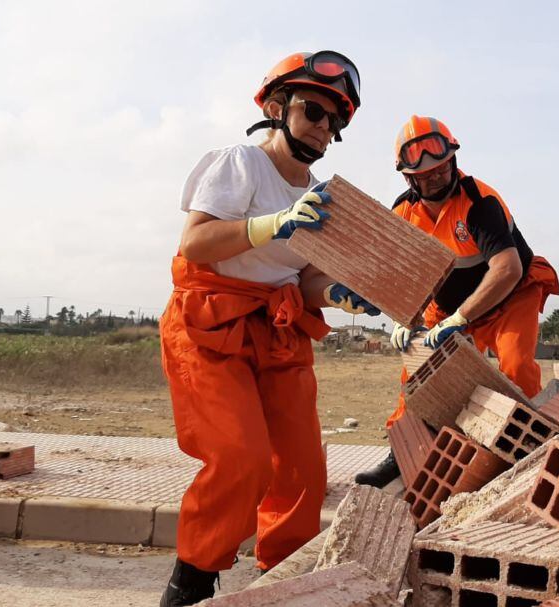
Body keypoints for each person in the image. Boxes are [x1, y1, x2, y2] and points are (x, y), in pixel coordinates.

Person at [158, 51, 378, 606]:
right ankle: (192, 581)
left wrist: (339, 294)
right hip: (211, 323)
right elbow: (197, 243)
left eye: (336, 120)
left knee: (303, 467)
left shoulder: (324, 195)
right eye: (314, 111)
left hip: (277, 327)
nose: (325, 128)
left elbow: (305, 282)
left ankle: (281, 580)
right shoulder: (241, 164)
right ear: (277, 107)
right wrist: (272, 223)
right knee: (241, 457)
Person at [354, 115, 559, 487]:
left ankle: (529, 448)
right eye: (426, 173)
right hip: (447, 307)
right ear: (408, 178)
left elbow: (507, 269)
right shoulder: (403, 213)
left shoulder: (479, 203)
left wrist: (460, 319)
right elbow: (401, 273)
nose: (435, 176)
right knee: (416, 372)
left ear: (452, 161)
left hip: (510, 296)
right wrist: (405, 316)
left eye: (441, 167)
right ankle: (402, 452)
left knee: (514, 362)